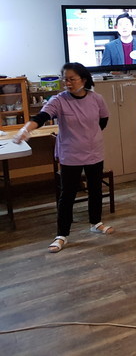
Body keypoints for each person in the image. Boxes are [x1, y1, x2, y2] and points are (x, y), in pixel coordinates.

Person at [13, 63, 112, 253]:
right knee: (67, 195)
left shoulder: (96, 99)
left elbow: (103, 120)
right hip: (70, 154)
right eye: (65, 79)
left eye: (72, 79)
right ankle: (62, 235)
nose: (67, 83)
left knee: (95, 190)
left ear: (83, 79)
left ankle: (96, 223)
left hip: (94, 151)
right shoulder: (58, 100)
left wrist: (90, 136)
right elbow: (41, 117)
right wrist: (26, 129)